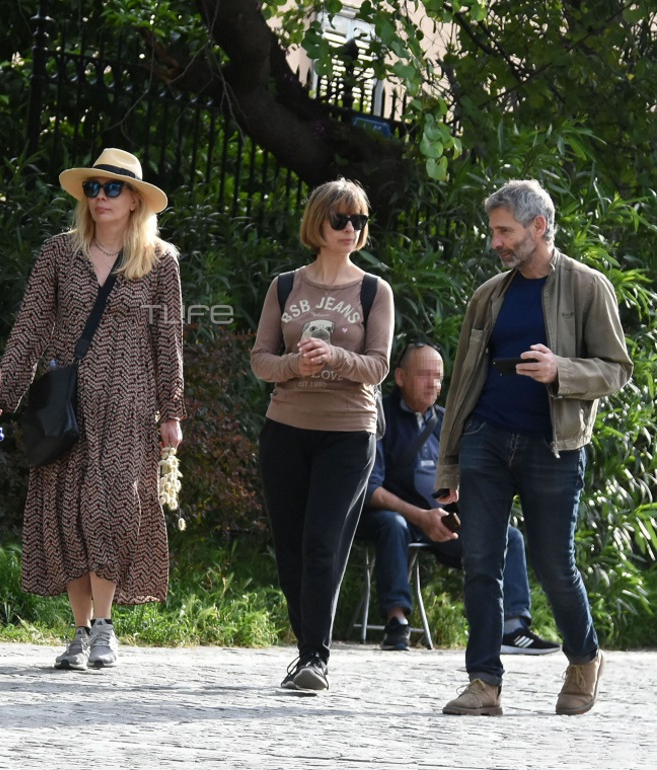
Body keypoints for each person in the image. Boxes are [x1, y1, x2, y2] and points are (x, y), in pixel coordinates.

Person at [0, 149, 184, 671]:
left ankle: (106, 628)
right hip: (65, 403)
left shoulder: (161, 262)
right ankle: (80, 630)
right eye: (92, 188)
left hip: (129, 405)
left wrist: (171, 410)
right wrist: (2, 387)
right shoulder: (57, 254)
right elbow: (30, 326)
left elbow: (168, 339)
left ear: (136, 200)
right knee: (67, 513)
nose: (100, 198)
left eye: (112, 189)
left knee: (111, 506)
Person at [436, 180, 632, 716]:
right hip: (486, 439)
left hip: (555, 446)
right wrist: (449, 461)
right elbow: (461, 385)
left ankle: (584, 657)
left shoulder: (589, 287)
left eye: (505, 231)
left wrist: (560, 370)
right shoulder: (488, 295)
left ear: (538, 227)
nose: (496, 241)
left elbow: (617, 370)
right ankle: (484, 684)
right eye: (494, 231)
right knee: (480, 563)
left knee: (552, 564)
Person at [250, 178, 393, 691]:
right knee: (290, 545)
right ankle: (306, 648)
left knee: (321, 542)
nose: (351, 229)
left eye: (359, 221)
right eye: (341, 219)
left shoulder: (375, 290)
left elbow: (378, 366)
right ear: (318, 223)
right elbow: (261, 360)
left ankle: (316, 657)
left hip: (349, 432)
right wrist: (295, 365)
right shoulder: (286, 286)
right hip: (285, 427)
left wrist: (334, 358)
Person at [359, 340, 559, 654]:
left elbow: (469, 476)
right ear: (399, 377)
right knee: (393, 525)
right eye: (424, 375)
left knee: (510, 536)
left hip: (443, 520)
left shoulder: (447, 422)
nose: (433, 384)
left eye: (438, 377)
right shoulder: (380, 416)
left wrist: (468, 509)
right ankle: (397, 621)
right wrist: (421, 516)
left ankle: (513, 627)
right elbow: (370, 489)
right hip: (399, 517)